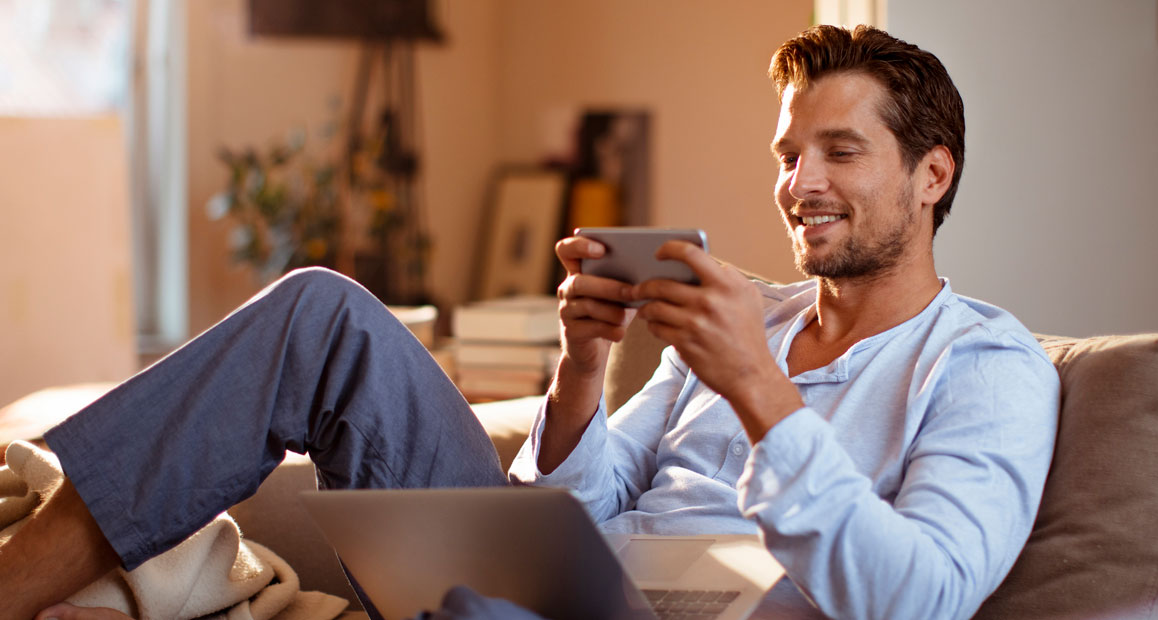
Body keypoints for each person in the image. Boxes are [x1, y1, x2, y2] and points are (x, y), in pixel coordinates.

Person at [0, 24, 1059, 620]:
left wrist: (758, 389)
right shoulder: (748, 315)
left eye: (839, 151)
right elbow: (565, 511)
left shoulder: (985, 365)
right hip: (561, 593)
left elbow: (920, 597)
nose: (799, 183)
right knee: (318, 310)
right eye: (788, 154)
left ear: (932, 175)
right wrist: (583, 368)